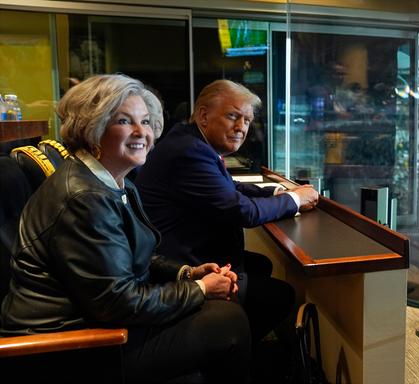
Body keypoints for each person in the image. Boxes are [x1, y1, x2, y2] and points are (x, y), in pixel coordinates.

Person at [0, 74, 250, 384]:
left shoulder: (117, 182)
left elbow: (132, 254)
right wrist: (201, 289)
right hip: (67, 348)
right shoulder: (85, 197)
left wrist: (187, 273)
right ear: (92, 128)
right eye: (123, 121)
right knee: (228, 322)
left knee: (222, 310)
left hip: (96, 321)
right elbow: (119, 302)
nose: (141, 132)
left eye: (145, 121)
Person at [135, 79, 319, 344]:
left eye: (247, 120)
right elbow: (242, 212)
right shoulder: (189, 151)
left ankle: (234, 335)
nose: (241, 128)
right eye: (233, 116)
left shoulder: (189, 141)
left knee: (262, 265)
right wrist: (294, 199)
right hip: (181, 263)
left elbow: (228, 186)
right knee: (280, 296)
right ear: (203, 115)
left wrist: (277, 192)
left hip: (186, 248)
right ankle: (227, 348)